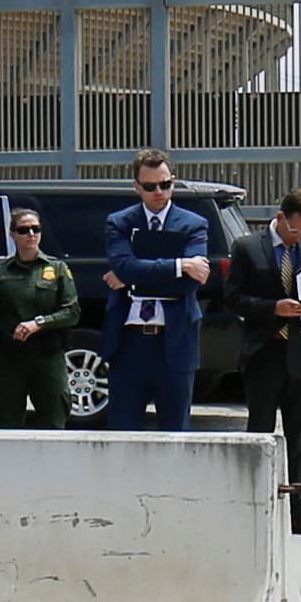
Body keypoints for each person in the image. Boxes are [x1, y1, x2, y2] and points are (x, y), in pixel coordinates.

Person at [236, 192, 301, 534]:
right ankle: (254, 507)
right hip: (265, 351)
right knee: (260, 431)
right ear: (280, 218)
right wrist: (273, 307)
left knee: (299, 437)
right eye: (295, 231)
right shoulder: (247, 247)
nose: (299, 237)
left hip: (300, 353)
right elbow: (234, 297)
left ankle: (299, 511)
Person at [101, 151, 212, 434]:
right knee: (123, 435)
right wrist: (179, 265)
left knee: (175, 434)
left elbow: (191, 283)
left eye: (165, 184)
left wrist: (134, 279)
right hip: (129, 344)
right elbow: (124, 267)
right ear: (137, 186)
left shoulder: (193, 224)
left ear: (173, 181)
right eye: (150, 187)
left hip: (174, 342)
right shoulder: (120, 222)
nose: (159, 192)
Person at [0, 209, 83, 428]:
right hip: (9, 358)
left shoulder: (57, 268)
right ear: (12, 234)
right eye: (23, 230)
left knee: (54, 421)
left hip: (47, 356)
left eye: (35, 229)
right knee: (6, 423)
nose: (30, 234)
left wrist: (39, 323)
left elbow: (72, 312)